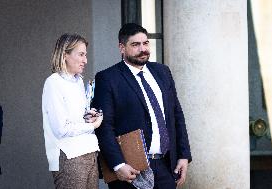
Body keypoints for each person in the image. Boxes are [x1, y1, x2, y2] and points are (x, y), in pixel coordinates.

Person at [92, 23, 192, 189]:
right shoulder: (108, 78)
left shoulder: (162, 72)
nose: (142, 49)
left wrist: (183, 155)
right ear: (121, 47)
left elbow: (176, 114)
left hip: (166, 166)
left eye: (145, 43)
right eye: (135, 44)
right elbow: (104, 127)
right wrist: (118, 165)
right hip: (131, 170)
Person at [42, 33, 103, 189]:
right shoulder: (54, 83)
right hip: (69, 156)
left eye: (86, 55)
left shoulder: (78, 81)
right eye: (81, 55)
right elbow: (61, 128)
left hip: (90, 152)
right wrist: (92, 126)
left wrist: (89, 116)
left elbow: (76, 118)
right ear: (65, 55)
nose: (85, 60)